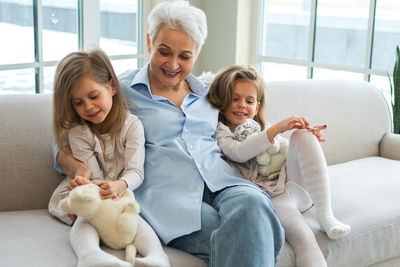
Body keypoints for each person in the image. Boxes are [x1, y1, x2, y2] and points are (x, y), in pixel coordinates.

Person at [54, 1, 284, 267]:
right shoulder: (122, 90)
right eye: (164, 52)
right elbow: (65, 136)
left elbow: (248, 118)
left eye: (185, 56)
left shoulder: (210, 93)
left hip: (223, 182)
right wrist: (80, 169)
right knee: (250, 237)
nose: (173, 65)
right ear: (149, 42)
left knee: (255, 207)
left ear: (197, 53)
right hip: (170, 200)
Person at [207, 65, 351, 267]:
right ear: (222, 101)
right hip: (273, 198)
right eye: (235, 98)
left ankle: (325, 215)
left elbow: (282, 151)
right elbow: (238, 152)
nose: (242, 105)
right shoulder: (222, 132)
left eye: (249, 101)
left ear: (257, 106)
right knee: (303, 237)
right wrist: (275, 129)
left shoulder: (261, 127)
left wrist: (305, 133)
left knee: (303, 136)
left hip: (294, 187)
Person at [49, 49, 170, 267]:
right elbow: (93, 176)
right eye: (78, 102)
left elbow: (136, 171)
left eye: (93, 96)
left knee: (136, 218)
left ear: (112, 87)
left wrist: (119, 185)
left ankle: (157, 257)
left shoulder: (132, 125)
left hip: (120, 191)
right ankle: (89, 256)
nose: (88, 107)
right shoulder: (78, 132)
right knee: (86, 219)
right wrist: (89, 184)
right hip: (92, 192)